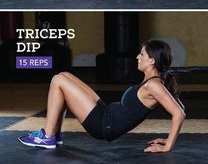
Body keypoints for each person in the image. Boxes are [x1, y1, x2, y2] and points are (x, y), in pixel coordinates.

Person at [18, 39, 186, 150]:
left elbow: (179, 113)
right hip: (105, 113)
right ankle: (54, 134)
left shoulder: (154, 85)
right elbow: (179, 106)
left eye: (141, 54)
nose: (137, 57)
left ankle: (48, 136)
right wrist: (169, 139)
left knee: (57, 80)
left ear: (152, 61)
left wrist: (168, 145)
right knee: (63, 75)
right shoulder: (154, 82)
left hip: (103, 125)